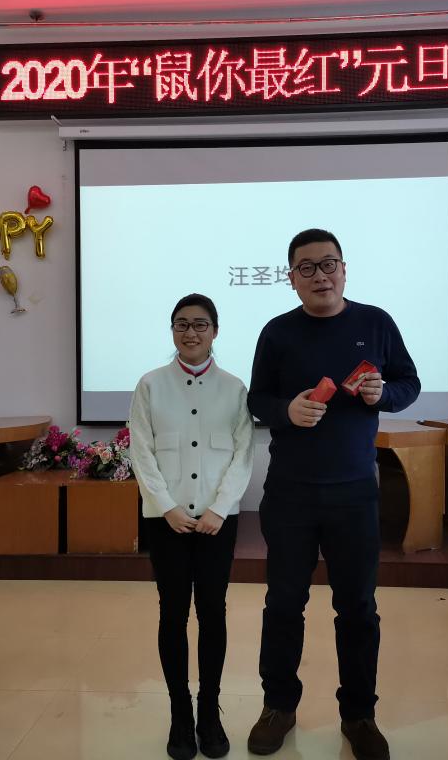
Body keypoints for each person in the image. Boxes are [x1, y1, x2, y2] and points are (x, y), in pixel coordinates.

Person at [245, 229, 420, 760]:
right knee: (283, 605)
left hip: (355, 494)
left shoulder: (376, 323)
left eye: (328, 264)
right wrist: (286, 410)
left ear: (344, 269)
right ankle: (278, 706)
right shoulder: (277, 332)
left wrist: (382, 393)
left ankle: (359, 715)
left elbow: (408, 383)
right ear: (291, 278)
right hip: (290, 494)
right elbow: (257, 400)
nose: (319, 275)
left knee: (359, 609)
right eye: (307, 267)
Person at [129, 293, 255, 760]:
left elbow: (243, 453)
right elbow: (141, 451)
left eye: (200, 324)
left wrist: (220, 508)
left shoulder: (234, 388)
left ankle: (209, 712)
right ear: (172, 330)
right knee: (173, 613)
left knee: (213, 613)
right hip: (168, 522)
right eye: (181, 324)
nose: (191, 332)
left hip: (217, 522)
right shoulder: (150, 385)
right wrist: (166, 507)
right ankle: (179, 713)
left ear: (215, 331)